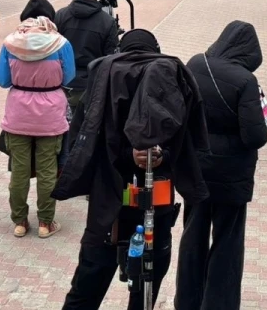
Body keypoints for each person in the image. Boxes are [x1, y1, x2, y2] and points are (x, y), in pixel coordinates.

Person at [55, 29, 210, 310]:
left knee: (87, 285)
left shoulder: (102, 80)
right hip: (155, 203)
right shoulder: (170, 79)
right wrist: (159, 154)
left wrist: (129, 154)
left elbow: (85, 141)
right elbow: (186, 141)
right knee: (147, 284)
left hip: (109, 205)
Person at [176, 21, 267, 310]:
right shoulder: (245, 81)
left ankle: (187, 300)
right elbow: (255, 136)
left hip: (197, 168)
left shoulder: (195, 63)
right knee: (228, 241)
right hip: (232, 175)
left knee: (193, 235)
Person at [0, 1, 75, 239]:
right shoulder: (61, 43)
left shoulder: (10, 43)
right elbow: (69, 77)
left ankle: (20, 221)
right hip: (51, 115)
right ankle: (45, 223)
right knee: (48, 170)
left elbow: (2, 80)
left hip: (18, 115)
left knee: (19, 172)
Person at [54, 0, 119, 120]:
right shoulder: (107, 22)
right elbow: (111, 58)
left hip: (63, 82)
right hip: (92, 85)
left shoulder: (60, 15)